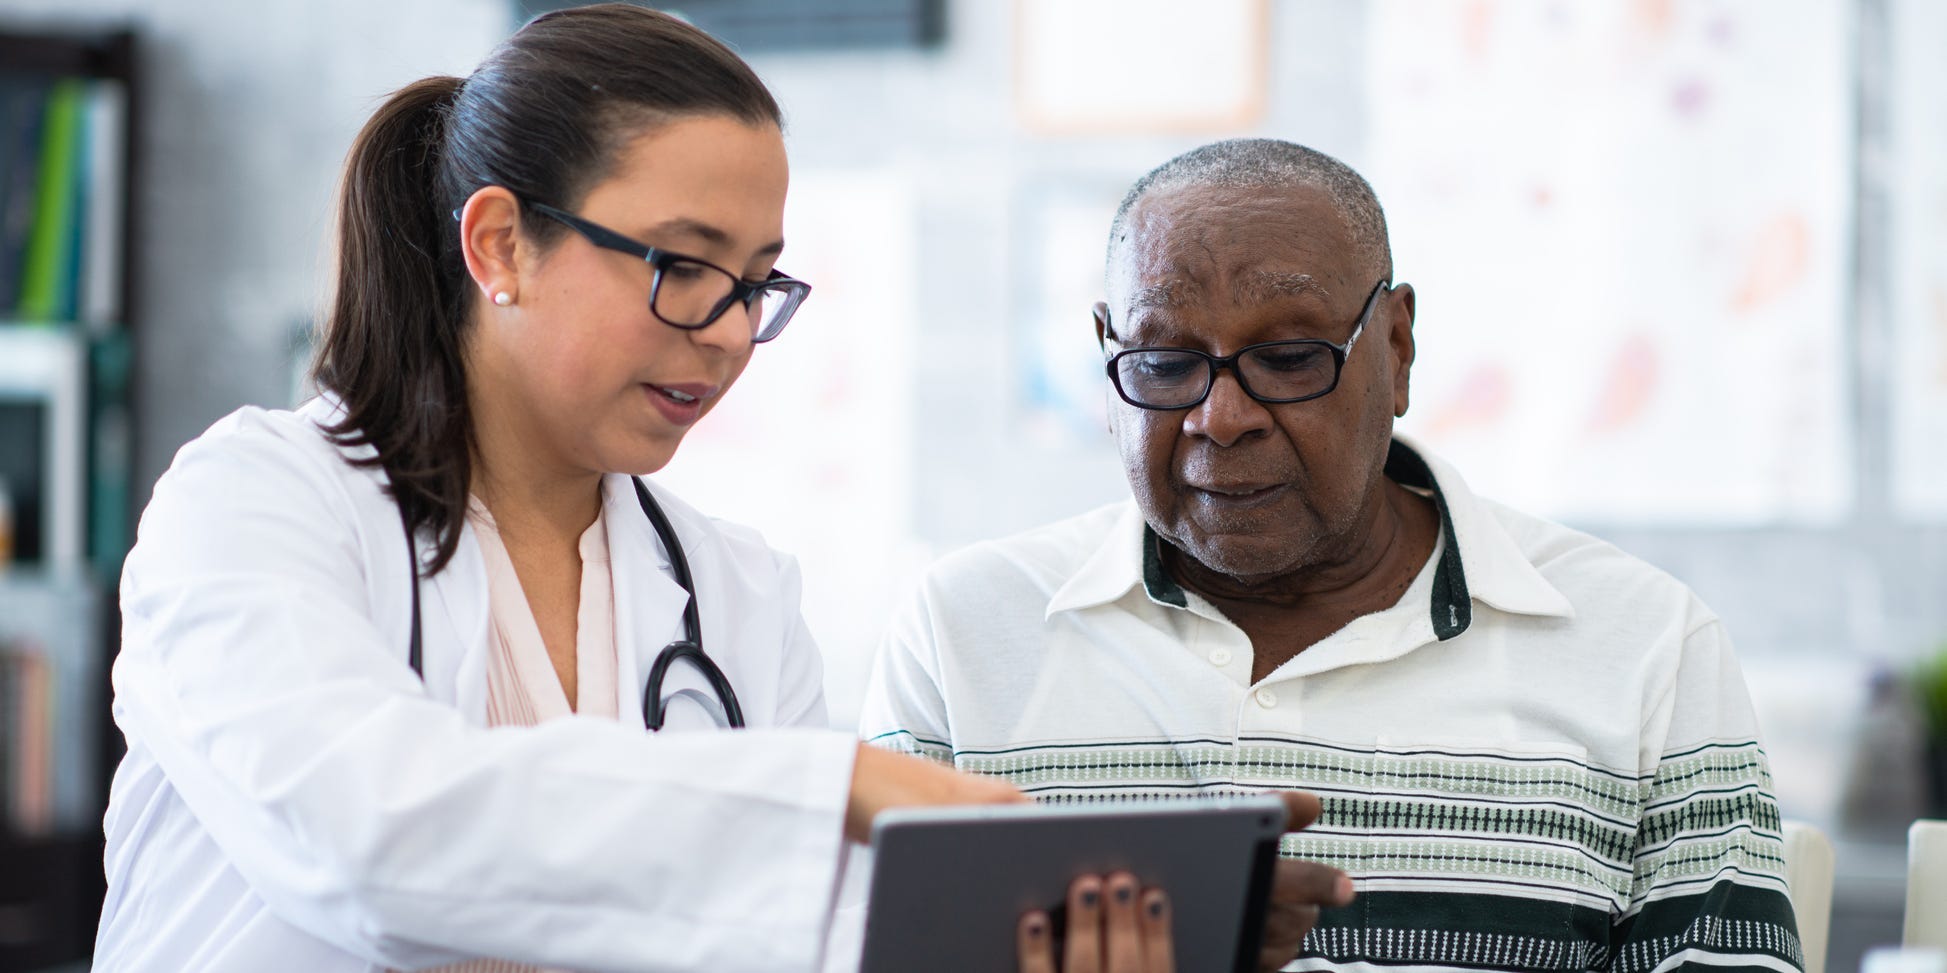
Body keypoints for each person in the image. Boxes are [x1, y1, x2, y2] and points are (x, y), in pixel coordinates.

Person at [93, 8, 1037, 971]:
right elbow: (366, 840)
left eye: (755, 283)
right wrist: (818, 790)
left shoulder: (738, 594)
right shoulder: (253, 503)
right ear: (501, 244)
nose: (728, 333)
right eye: (682, 265)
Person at [860, 138, 1803, 972]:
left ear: (1394, 347)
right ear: (1106, 358)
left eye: (1288, 357)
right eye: (1163, 361)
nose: (1219, 418)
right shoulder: (964, 634)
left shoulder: (1641, 642)